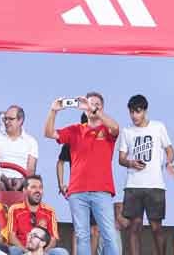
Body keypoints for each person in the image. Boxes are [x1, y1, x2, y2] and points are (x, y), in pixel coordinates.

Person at [43, 93, 120, 255]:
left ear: (102, 108)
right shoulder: (75, 130)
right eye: (89, 104)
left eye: (97, 104)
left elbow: (116, 128)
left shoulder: (107, 130)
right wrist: (53, 111)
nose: (92, 106)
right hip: (77, 191)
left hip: (102, 190)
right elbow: (49, 133)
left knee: (109, 234)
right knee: (82, 235)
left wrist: (96, 111)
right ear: (83, 109)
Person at [117, 95, 174, 255]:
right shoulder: (127, 131)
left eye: (138, 111)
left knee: (156, 227)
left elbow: (170, 150)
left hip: (155, 185)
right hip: (133, 185)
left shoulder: (158, 127)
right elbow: (121, 159)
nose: (135, 115)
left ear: (145, 111)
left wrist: (168, 162)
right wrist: (131, 163)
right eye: (131, 112)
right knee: (134, 226)